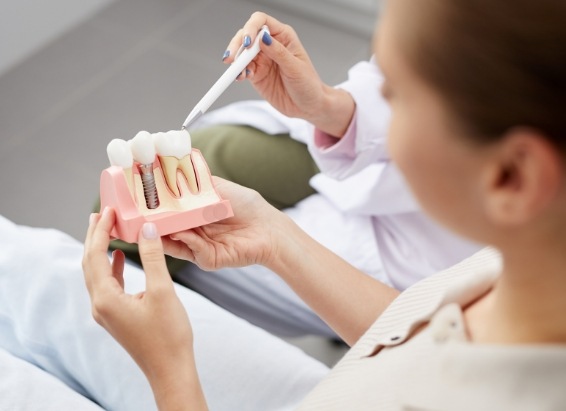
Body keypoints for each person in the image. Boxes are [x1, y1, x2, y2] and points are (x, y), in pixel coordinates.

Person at [83, 0, 566, 409]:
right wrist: (276, 239)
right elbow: (412, 327)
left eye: (395, 95)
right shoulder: (516, 276)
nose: (379, 106)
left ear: (511, 177)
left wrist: (170, 371)